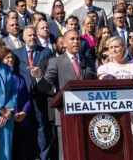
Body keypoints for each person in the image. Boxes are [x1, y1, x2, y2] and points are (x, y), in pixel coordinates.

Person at [36, 30, 96, 160]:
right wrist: (38, 77)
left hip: (88, 113)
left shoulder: (89, 62)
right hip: (65, 114)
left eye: (78, 39)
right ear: (64, 43)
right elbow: (45, 86)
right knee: (67, 151)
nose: (76, 42)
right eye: (72, 39)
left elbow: (95, 86)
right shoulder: (56, 62)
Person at [98, 37, 133, 160]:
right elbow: (104, 88)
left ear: (123, 48)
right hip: (116, 113)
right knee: (118, 146)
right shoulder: (104, 68)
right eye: (111, 47)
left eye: (117, 46)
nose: (114, 50)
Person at [13, 26, 54, 160]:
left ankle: (44, 157)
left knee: (42, 127)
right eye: (29, 35)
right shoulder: (16, 53)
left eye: (34, 35)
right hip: (24, 98)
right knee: (26, 129)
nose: (32, 37)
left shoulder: (46, 52)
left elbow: (50, 73)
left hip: (40, 95)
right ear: (23, 38)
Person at [3, 49, 33, 160]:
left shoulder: (20, 78)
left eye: (12, 57)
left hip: (20, 120)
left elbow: (28, 98)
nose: (10, 60)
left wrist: (24, 112)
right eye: (7, 57)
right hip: (5, 119)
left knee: (19, 151)